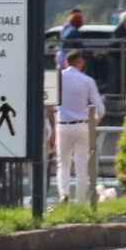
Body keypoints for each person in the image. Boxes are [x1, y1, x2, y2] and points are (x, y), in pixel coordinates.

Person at [53, 48, 103, 203]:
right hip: (82, 125)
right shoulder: (87, 81)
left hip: (62, 125)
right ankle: (80, 201)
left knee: (63, 163)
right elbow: (101, 109)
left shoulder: (57, 78)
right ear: (80, 63)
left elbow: (49, 105)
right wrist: (94, 121)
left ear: (66, 62)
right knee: (82, 166)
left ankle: (64, 194)